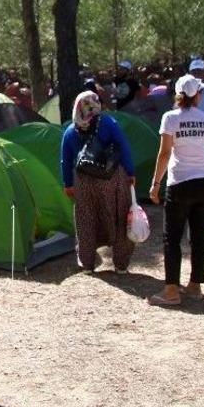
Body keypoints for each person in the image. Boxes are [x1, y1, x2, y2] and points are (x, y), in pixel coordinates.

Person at [147, 75, 204, 306]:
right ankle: (195, 286)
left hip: (180, 182)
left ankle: (171, 290)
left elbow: (164, 154)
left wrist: (155, 183)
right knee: (198, 237)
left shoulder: (170, 118)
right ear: (196, 95)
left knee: (172, 238)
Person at [60, 91, 137, 273]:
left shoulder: (71, 131)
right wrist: (130, 172)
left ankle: (87, 264)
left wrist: (68, 183)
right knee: (118, 217)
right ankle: (120, 265)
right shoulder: (108, 123)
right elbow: (123, 146)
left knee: (86, 220)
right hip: (111, 178)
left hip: (83, 181)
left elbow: (65, 159)